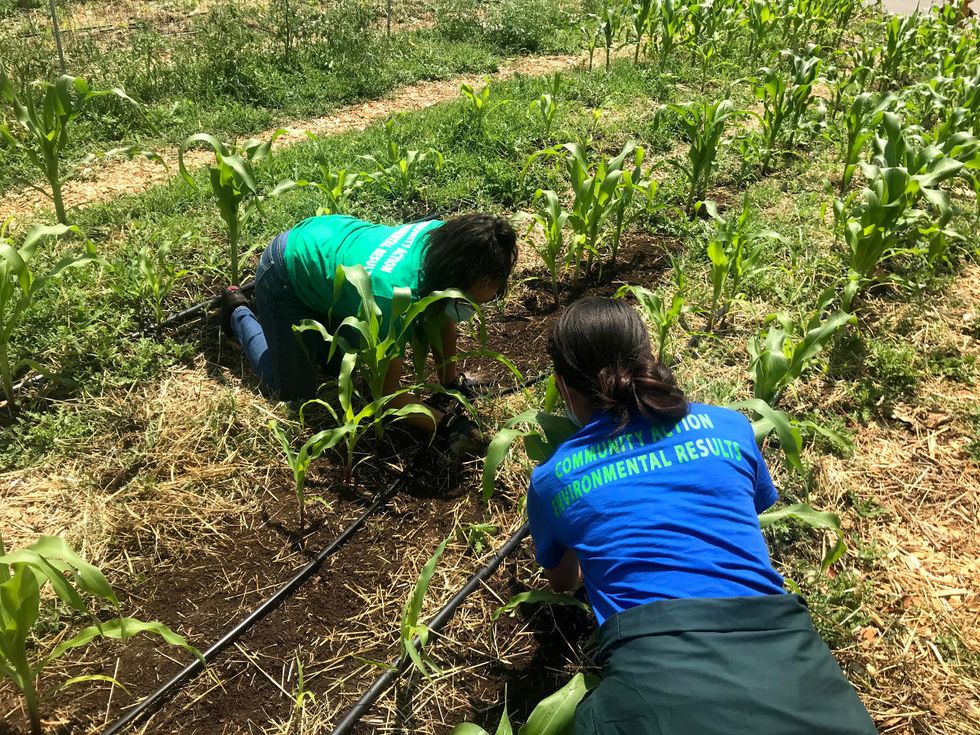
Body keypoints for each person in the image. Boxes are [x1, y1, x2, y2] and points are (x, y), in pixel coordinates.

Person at [526, 298, 877, 735]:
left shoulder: (553, 478)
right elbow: (743, 513)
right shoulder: (730, 427)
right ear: (648, 357)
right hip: (783, 653)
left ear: (564, 388)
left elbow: (563, 582)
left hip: (655, 672)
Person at [221, 212, 517, 445]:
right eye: (467, 301)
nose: (470, 309)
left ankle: (296, 322)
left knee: (335, 367)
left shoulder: (448, 241)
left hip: (330, 249)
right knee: (293, 389)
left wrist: (450, 383)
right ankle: (238, 312)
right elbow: (385, 397)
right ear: (453, 280)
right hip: (286, 271)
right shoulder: (392, 298)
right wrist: (446, 425)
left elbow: (443, 313)